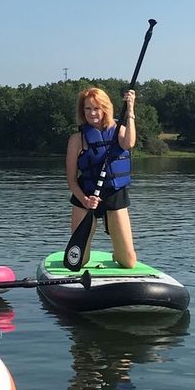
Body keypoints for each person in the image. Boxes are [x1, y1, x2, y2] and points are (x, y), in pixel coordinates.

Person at [66, 85, 138, 268]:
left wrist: (130, 109)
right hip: (86, 195)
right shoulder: (77, 139)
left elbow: (129, 143)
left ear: (105, 108)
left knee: (128, 262)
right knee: (79, 261)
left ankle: (118, 252)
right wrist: (84, 200)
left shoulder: (118, 130)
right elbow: (71, 180)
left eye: (96, 108)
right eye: (87, 109)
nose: (92, 113)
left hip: (114, 194)